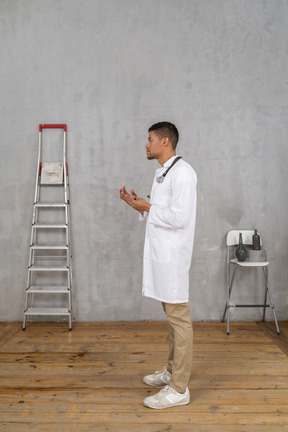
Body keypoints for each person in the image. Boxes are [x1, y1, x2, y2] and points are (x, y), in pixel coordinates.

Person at [120, 121, 197, 409]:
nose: (146, 143)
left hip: (173, 257)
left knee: (179, 319)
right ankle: (172, 371)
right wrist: (138, 205)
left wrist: (148, 207)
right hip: (162, 255)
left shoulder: (184, 174)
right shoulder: (164, 173)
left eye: (150, 138)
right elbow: (158, 211)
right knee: (171, 316)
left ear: (165, 141)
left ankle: (179, 388)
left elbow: (180, 218)